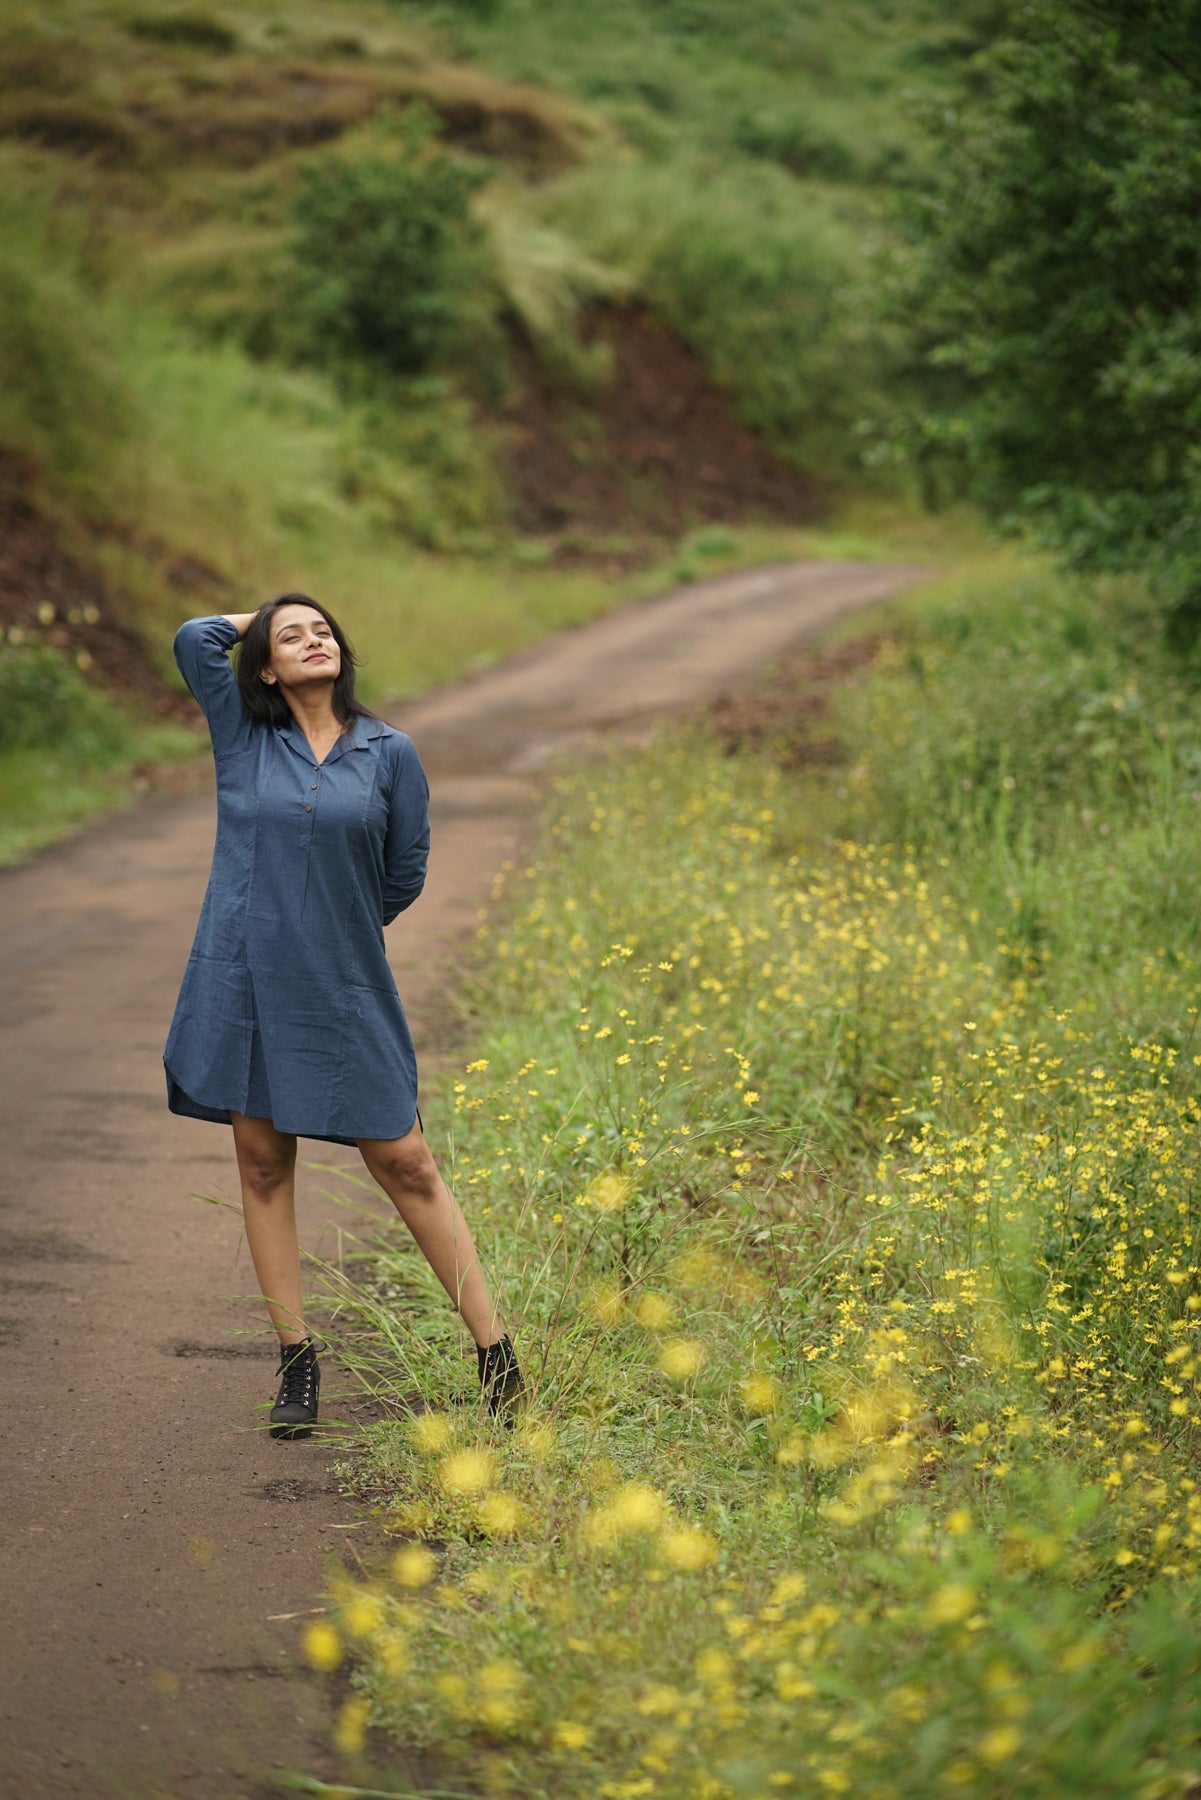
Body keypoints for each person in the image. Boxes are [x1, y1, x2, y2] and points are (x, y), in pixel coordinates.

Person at [164, 594, 522, 1438]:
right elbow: (192, 640)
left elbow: (405, 871)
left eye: (322, 628)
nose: (312, 638)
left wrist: (337, 925)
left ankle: (496, 1353)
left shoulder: (389, 752)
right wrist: (264, 614)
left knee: (405, 1160)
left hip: (343, 979)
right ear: (265, 667)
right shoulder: (244, 737)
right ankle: (296, 1362)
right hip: (246, 978)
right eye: (292, 636)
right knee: (260, 1163)